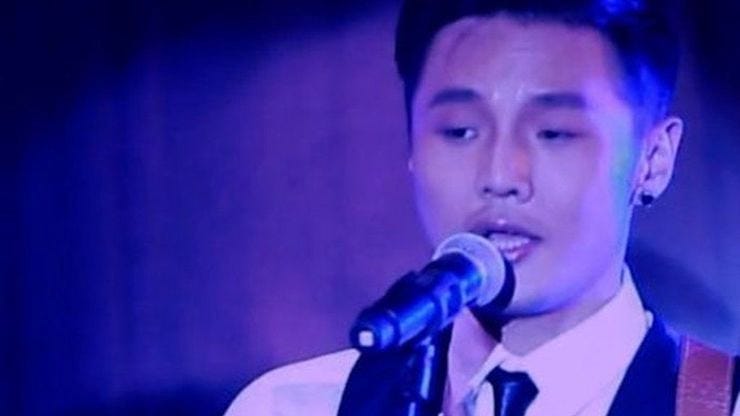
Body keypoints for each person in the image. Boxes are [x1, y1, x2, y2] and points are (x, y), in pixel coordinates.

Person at [225, 0, 739, 415]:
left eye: (554, 133)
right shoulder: (290, 406)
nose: (500, 176)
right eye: (460, 131)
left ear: (654, 159)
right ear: (411, 143)